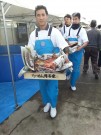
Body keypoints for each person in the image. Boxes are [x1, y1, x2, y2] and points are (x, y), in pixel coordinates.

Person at [28, 5, 69, 118]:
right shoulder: (33, 34)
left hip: (52, 66)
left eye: (43, 15)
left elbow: (64, 47)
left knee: (52, 87)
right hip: (40, 66)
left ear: (47, 16)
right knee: (42, 87)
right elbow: (30, 50)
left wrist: (67, 58)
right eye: (38, 15)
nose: (41, 18)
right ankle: (47, 103)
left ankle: (54, 106)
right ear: (35, 17)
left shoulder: (54, 32)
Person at [66, 12, 88, 91]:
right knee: (68, 66)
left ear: (79, 20)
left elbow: (86, 42)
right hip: (69, 52)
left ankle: (72, 84)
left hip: (78, 53)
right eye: (73, 19)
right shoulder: (68, 29)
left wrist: (80, 47)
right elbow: (65, 38)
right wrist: (67, 42)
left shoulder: (82, 30)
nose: (74, 21)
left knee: (75, 69)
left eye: (76, 19)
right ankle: (68, 74)